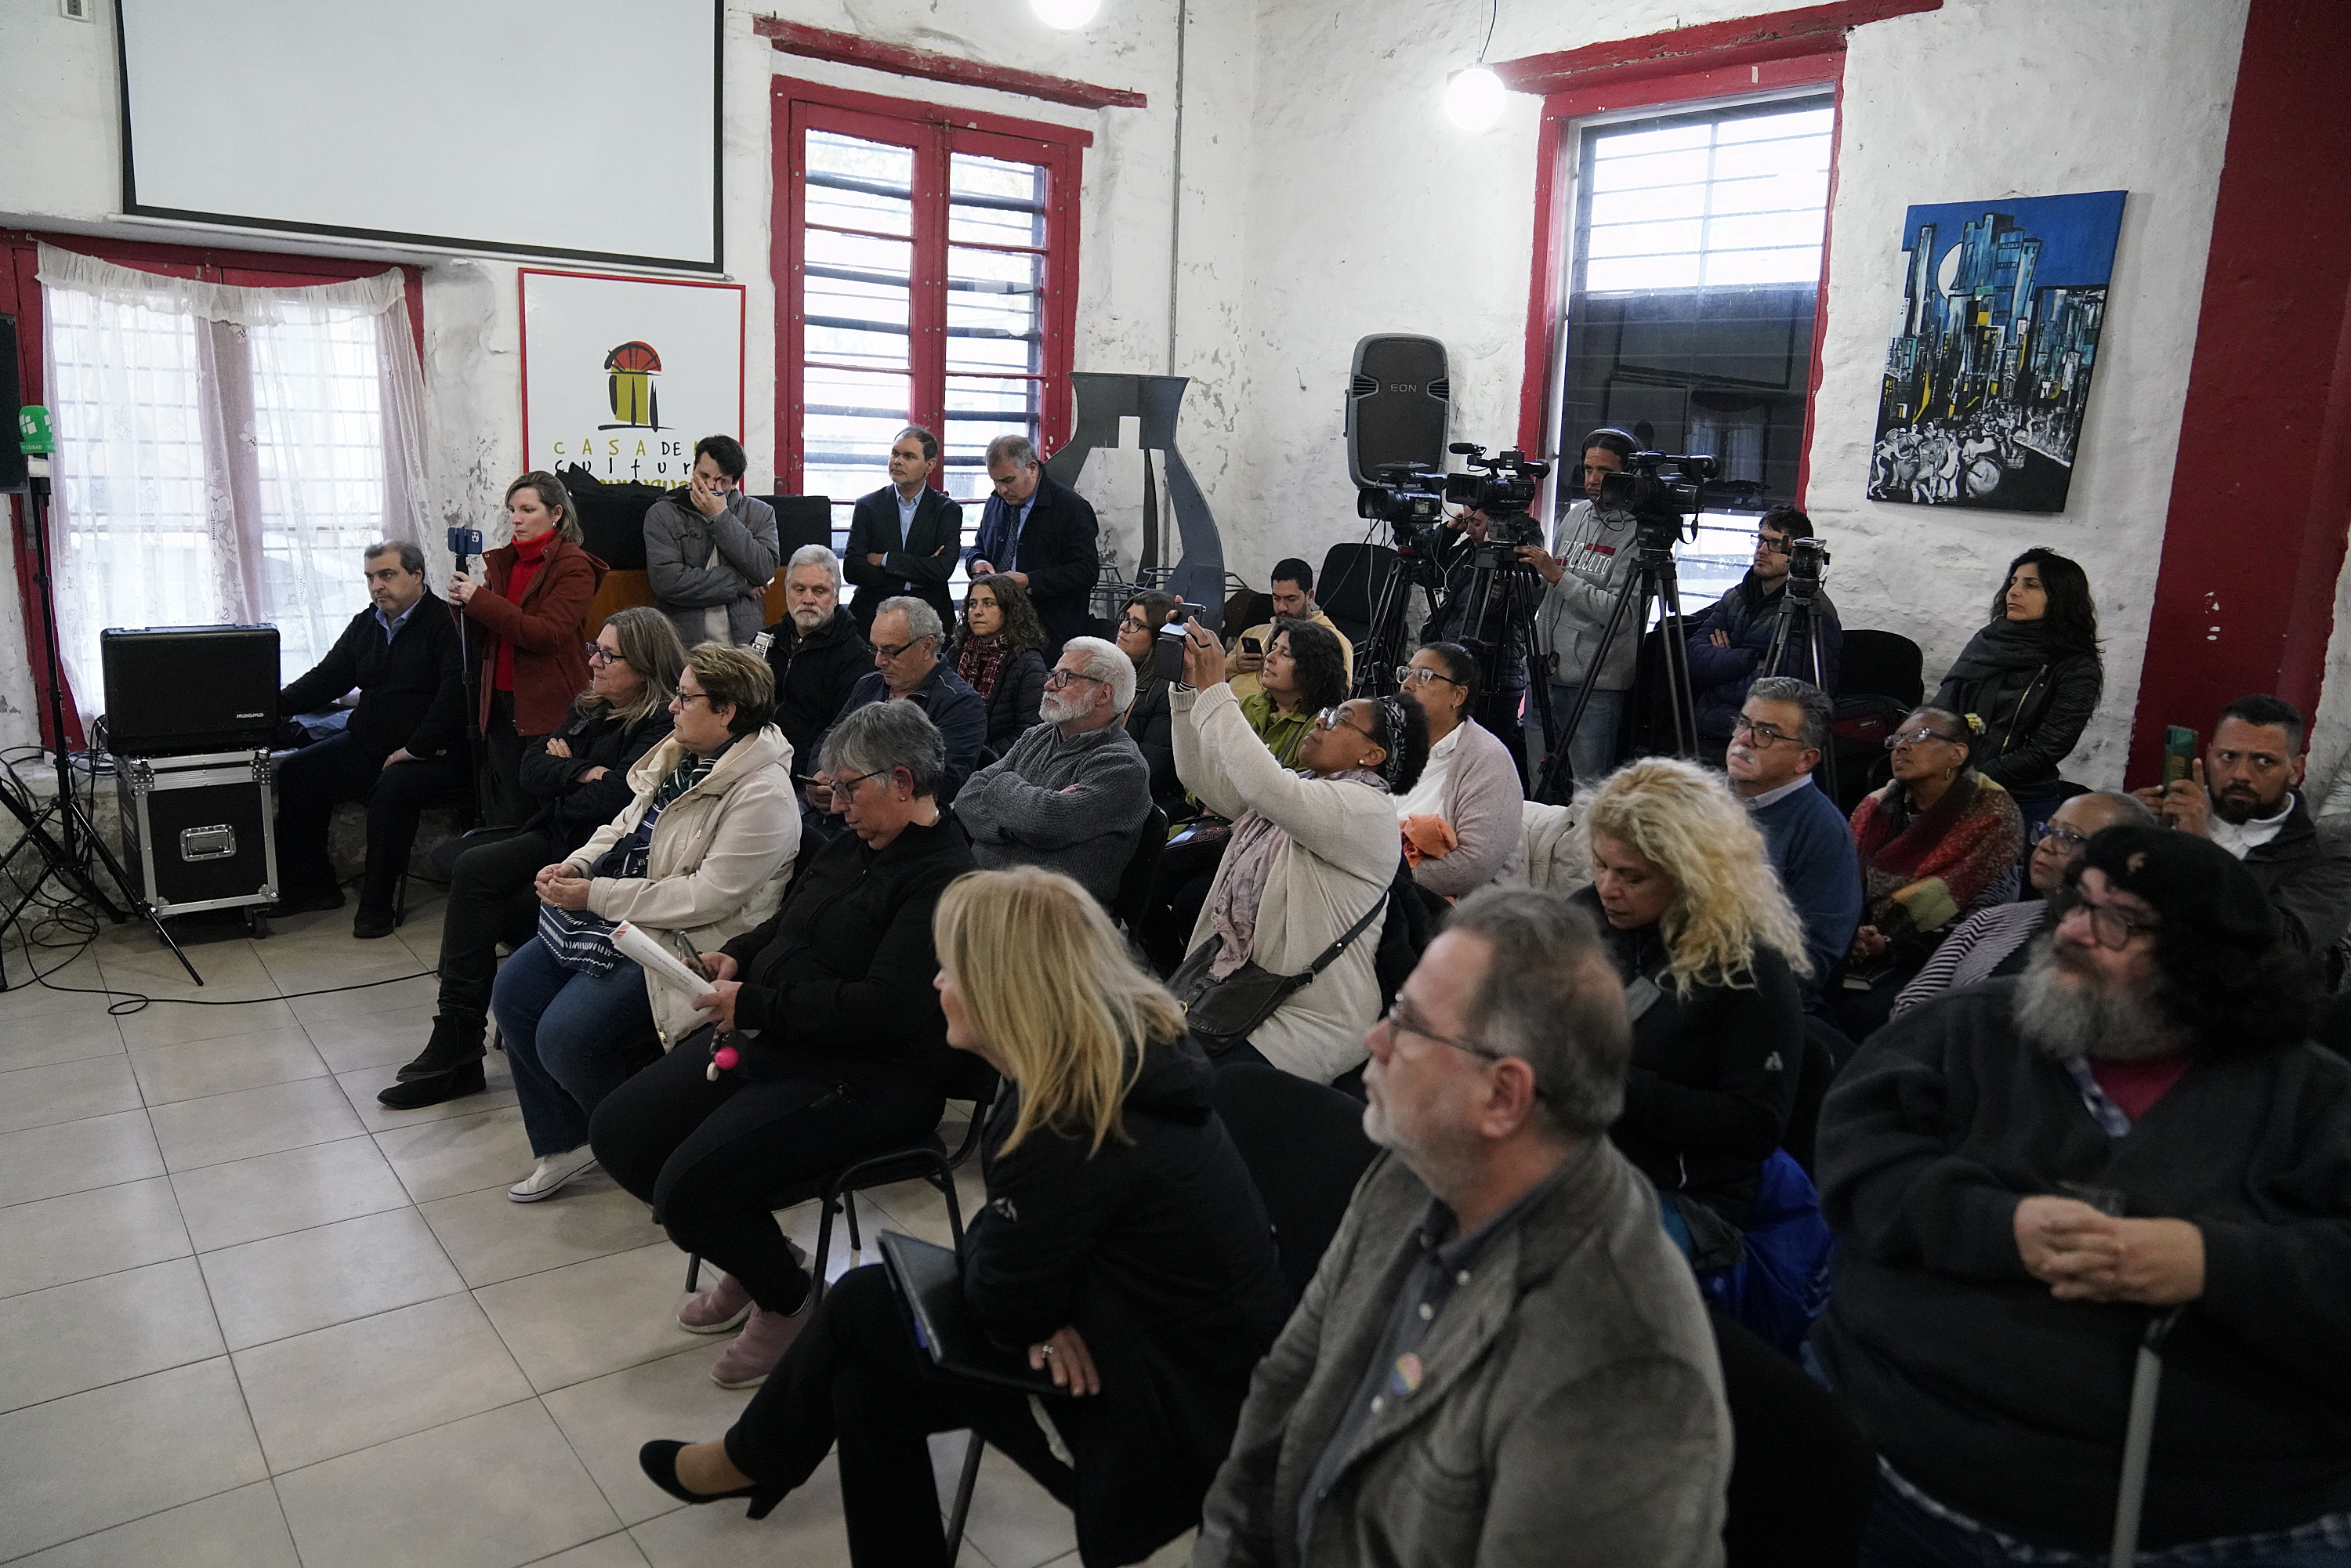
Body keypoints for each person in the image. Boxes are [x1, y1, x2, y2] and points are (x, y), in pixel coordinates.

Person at [634, 867, 1290, 1568]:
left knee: (865, 1307)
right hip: (1149, 1353)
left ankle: (752, 1458)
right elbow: (1012, 1259)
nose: (938, 982)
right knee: (865, 1379)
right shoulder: (1107, 1057)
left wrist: (1035, 1304)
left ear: (1006, 991)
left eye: (952, 969)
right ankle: (754, 1458)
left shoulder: (1070, 1116)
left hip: (1160, 1422)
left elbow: (1000, 1295)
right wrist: (1038, 1300)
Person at [1812, 827, 2351, 1564]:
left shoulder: (2313, 1099)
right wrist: (1999, 1224)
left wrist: (2213, 1263)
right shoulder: (1962, 1029)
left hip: (2221, 1516)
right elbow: (1861, 1163)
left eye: (2118, 920)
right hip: (1901, 1467)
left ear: (2208, 963)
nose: (2071, 930)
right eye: (2078, 902)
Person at [1194, 886, 1731, 1566]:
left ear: (1503, 1095)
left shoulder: (1622, 1366)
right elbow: (1286, 1386)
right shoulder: (1414, 1169)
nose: (1375, 1039)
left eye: (1409, 1024)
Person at [590, 701, 977, 1389]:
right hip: (783, 1039)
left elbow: (885, 1010)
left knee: (687, 1192)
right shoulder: (857, 843)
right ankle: (760, 1258)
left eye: (848, 789)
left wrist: (755, 1004)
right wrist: (738, 954)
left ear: (901, 781)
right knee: (620, 1132)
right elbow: (791, 923)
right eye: (830, 788)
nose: (836, 806)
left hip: (873, 1078)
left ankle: (791, 1299)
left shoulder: (943, 877)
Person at [492, 646, 799, 1203]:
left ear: (727, 711)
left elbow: (706, 897)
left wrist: (596, 894)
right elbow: (625, 825)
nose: (672, 707)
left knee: (563, 1035)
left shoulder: (764, 793)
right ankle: (569, 1140)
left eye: (685, 697)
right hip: (632, 913)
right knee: (513, 989)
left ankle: (648, 1145)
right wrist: (578, 865)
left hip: (690, 940)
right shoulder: (681, 754)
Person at [379, 607, 686, 1110]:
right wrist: (583, 773)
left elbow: (618, 800)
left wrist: (569, 773)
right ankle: (457, 1037)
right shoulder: (590, 706)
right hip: (556, 833)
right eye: (595, 649)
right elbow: (531, 770)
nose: (594, 662)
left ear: (647, 666)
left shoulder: (662, 726)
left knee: (483, 890)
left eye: (610, 656)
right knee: (470, 868)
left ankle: (459, 1046)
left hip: (600, 852)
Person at [1170, 618, 1428, 1085]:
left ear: (1373, 756)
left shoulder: (1365, 808)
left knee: (1182, 1086)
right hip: (1244, 987)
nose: (1323, 721)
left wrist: (1215, 687)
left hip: (1308, 1012)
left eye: (1340, 720)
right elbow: (1205, 781)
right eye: (1328, 713)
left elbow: (1266, 788)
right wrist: (1189, 691)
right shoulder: (1309, 787)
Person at [1575, 757, 1809, 1255]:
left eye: (1632, 877)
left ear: (1690, 875)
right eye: (1600, 865)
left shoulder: (1747, 969)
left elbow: (1756, 1125)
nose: (1608, 888)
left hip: (1686, 1195)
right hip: (1577, 1157)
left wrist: (1610, 1084)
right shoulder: (1585, 917)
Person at [270, 541, 469, 936]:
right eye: (370, 577)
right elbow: (328, 677)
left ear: (417, 575)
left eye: (387, 575)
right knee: (297, 773)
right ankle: (313, 888)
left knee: (391, 790)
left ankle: (377, 906)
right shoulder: (367, 623)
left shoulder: (446, 623)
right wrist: (272, 705)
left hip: (432, 751)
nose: (377, 586)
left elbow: (454, 698)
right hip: (370, 742)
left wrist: (415, 749)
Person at [1840, 706, 2026, 1037]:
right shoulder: (1875, 806)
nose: (1901, 746)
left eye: (1919, 736)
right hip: (1855, 945)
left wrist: (1890, 946)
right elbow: (1839, 884)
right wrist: (1851, 933)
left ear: (1957, 754)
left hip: (1937, 958)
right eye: (1897, 739)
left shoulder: (1993, 817)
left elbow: (1984, 924)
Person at [1890, 789, 2153, 1019]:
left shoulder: (2126, 950)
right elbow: (1911, 1005)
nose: (2046, 845)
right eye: (2048, 831)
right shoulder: (1991, 921)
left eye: (2069, 837)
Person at [2134, 693, 2351, 965]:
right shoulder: (2163, 817)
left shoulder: (2327, 856)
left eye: (2264, 761)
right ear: (2209, 756)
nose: (2241, 774)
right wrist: (2128, 829)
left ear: (2295, 770)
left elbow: (2286, 949)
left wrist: (2201, 852)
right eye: (2228, 756)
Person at [449, 471, 607, 832]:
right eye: (512, 510)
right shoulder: (505, 563)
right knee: (510, 807)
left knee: (545, 806)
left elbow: (546, 635)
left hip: (548, 703)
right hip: (501, 700)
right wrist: (462, 608)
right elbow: (487, 637)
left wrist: (481, 601)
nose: (516, 519)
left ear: (556, 514)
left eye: (527, 510)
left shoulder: (574, 567)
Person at [955, 636, 1152, 907]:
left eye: (1064, 678)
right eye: (1053, 675)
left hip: (1054, 914)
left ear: (1103, 694)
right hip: (988, 892)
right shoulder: (1038, 735)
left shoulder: (1122, 765)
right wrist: (1016, 825)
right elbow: (966, 797)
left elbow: (1046, 821)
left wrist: (1002, 786)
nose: (1048, 685)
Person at [1931, 547, 2103, 838]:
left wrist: (1970, 779)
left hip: (2019, 797)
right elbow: (1943, 712)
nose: (2013, 592)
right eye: (2013, 582)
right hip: (1951, 785)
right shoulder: (1988, 642)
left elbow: (2046, 749)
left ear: (2060, 597)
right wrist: (1932, 762)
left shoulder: (2075, 665)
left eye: (2030, 585)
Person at [1724, 676, 1861, 1000]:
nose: (1744, 739)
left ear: (1806, 760)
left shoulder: (1823, 831)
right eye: (1743, 723)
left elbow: (1814, 957)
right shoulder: (1702, 797)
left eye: (1766, 734)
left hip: (1751, 999)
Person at [1528, 427, 1639, 791]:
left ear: (1628, 474)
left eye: (1605, 471)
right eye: (1589, 469)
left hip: (1595, 687)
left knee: (1589, 796)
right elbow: (1552, 587)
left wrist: (1557, 575)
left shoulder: (1638, 534)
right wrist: (1525, 580)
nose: (1593, 480)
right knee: (1538, 788)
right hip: (1544, 672)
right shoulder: (1575, 516)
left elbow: (1622, 615)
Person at [809, 597, 987, 815]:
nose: (878, 661)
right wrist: (818, 774)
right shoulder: (869, 684)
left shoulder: (961, 703)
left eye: (890, 651)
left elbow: (943, 783)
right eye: (875, 649)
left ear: (926, 646)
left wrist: (851, 787)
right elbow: (831, 737)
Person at [1686, 506, 1843, 753]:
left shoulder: (1812, 612)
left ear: (1795, 553)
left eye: (1775, 543)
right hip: (1712, 724)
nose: (1761, 550)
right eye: (1760, 540)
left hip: (1770, 736)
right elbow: (1694, 657)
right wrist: (1749, 660)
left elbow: (1785, 690)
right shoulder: (1736, 597)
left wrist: (1718, 678)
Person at [1393, 642, 1525, 896]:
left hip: (1456, 908)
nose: (1407, 684)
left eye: (1424, 676)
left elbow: (1473, 866)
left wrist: (1376, 876)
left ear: (1458, 696)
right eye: (1406, 673)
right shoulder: (1389, 742)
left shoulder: (1488, 760)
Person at [1418, 513, 1538, 774]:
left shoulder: (1519, 561)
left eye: (1477, 523)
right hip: (1456, 669)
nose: (1469, 529)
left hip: (1496, 677)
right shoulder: (1467, 554)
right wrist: (1449, 531)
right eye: (1467, 521)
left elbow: (1505, 608)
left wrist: (1502, 575)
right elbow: (1425, 570)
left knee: (1481, 765)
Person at [643, 435, 782, 649]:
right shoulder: (663, 513)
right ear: (693, 469)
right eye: (704, 475)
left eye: (721, 481)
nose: (708, 486)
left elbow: (764, 570)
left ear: (735, 483)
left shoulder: (760, 513)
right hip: (685, 645)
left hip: (742, 645)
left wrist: (720, 516)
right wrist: (742, 583)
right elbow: (667, 582)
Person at [966, 433, 1101, 654]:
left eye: (1008, 480)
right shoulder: (995, 502)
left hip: (1048, 632)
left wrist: (1030, 581)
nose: (1001, 490)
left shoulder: (1072, 509)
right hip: (998, 631)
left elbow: (1086, 571)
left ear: (1031, 468)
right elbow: (978, 547)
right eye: (995, 481)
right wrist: (977, 562)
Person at [755, 544, 869, 763]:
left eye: (819, 591)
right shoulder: (766, 640)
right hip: (756, 759)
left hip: (812, 769)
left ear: (835, 597)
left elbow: (845, 734)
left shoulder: (855, 657)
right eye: (799, 590)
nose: (808, 599)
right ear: (787, 592)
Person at [842, 424, 962, 633]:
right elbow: (853, 569)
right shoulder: (868, 506)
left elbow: (942, 570)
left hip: (930, 615)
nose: (897, 461)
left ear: (929, 465)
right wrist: (914, 577)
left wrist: (885, 560)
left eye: (909, 456)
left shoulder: (947, 511)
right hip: (873, 614)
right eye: (895, 453)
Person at [946, 573, 1048, 762]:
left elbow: (1029, 732)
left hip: (996, 762)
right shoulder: (958, 650)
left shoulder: (1028, 662)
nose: (977, 612)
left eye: (988, 603)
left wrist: (979, 757)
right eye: (972, 604)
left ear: (1009, 610)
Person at [1226, 557, 1353, 701]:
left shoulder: (1330, 641)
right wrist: (1234, 664)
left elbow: (1337, 696)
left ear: (1310, 597)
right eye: (1276, 598)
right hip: (1224, 706)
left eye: (1291, 599)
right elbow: (1214, 674)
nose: (1281, 607)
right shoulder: (1253, 633)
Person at [1240, 618, 1349, 770]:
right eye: (1273, 648)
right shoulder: (1246, 704)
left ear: (1311, 670)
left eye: (1285, 654)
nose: (1269, 658)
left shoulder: (1321, 727)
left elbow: (1300, 785)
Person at [1114, 590, 1184, 815]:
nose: (1124, 627)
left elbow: (1151, 768)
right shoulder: (1110, 673)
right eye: (1126, 618)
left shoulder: (1167, 691)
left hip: (1143, 804)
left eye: (1137, 624)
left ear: (1159, 636)